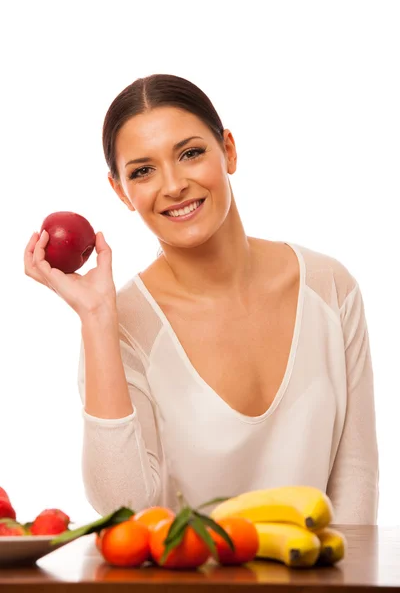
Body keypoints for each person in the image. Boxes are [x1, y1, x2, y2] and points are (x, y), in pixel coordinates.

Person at [24, 74, 379, 525]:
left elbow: (356, 479)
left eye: (190, 153)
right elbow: (123, 507)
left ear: (228, 150)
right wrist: (96, 318)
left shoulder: (330, 288)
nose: (173, 185)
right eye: (142, 171)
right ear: (121, 192)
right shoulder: (125, 323)